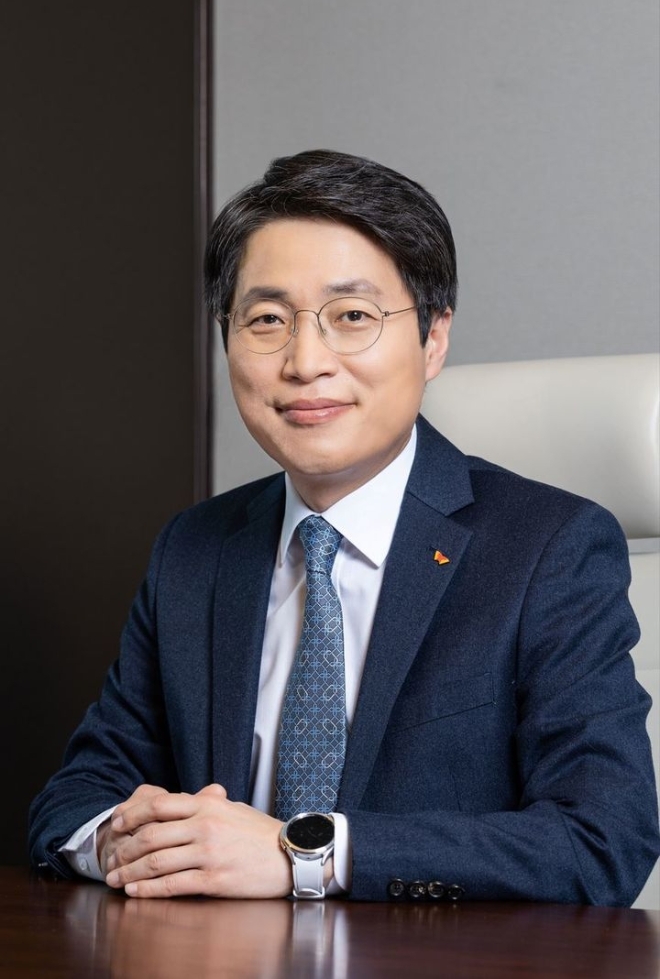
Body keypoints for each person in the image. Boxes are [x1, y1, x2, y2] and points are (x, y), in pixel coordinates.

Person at [29, 149, 659, 905]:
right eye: (267, 320)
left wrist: (305, 854)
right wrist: (126, 842)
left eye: (352, 317)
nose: (305, 362)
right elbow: (78, 796)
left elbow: (601, 841)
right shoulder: (195, 550)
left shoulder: (548, 549)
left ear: (433, 338)